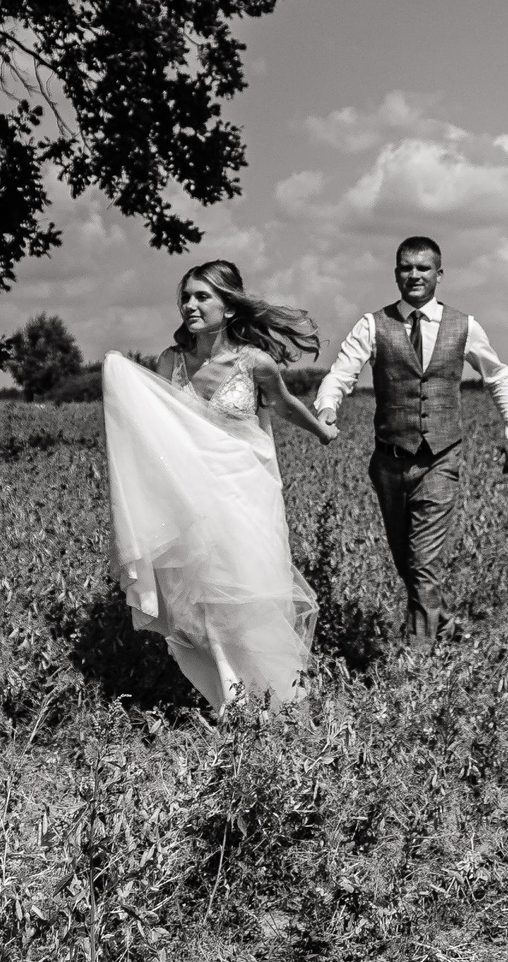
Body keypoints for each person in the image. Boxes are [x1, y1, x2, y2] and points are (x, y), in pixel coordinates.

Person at [100, 261, 337, 713]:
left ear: (228, 307)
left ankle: (275, 704)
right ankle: (234, 706)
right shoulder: (170, 362)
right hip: (190, 501)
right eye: (185, 297)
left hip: (243, 497)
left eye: (201, 297)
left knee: (246, 601)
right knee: (203, 607)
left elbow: (284, 405)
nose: (189, 305)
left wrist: (322, 431)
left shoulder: (254, 363)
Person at [311, 236, 508, 655]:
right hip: (389, 461)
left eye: (423, 268)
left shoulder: (464, 325)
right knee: (407, 563)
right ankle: (443, 623)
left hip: (441, 458)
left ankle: (417, 661)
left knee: (424, 563)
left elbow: (496, 376)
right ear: (395, 273)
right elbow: (342, 372)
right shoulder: (372, 325)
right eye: (406, 267)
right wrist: (327, 406)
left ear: (439, 275)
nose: (414, 275)